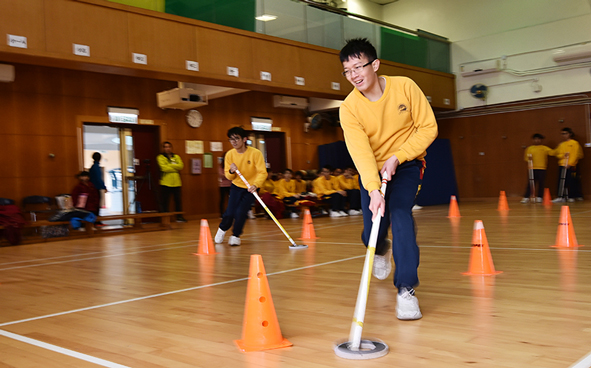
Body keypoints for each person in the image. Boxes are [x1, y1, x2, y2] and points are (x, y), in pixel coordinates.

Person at [338, 38, 438, 320]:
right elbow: (360, 152)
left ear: (375, 65)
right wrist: (373, 189)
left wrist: (399, 156)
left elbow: (428, 128)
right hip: (372, 168)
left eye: (358, 66)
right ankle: (381, 248)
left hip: (407, 164)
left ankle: (406, 289)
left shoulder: (405, 86)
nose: (354, 75)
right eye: (347, 71)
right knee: (373, 229)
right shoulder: (349, 108)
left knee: (400, 213)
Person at [215, 126, 267, 246]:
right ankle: (223, 228)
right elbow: (228, 176)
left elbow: (262, 172)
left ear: (244, 139)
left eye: (236, 139)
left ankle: (235, 235)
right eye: (231, 139)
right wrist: (232, 171)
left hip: (251, 188)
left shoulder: (255, 153)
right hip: (237, 186)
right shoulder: (229, 155)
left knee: (241, 212)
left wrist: (256, 184)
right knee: (230, 212)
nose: (234, 142)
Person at [551, 127, 584, 202]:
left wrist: (570, 164)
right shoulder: (562, 144)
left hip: (571, 165)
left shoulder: (574, 143)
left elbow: (575, 155)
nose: (563, 135)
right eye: (562, 134)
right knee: (561, 181)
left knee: (571, 181)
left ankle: (571, 196)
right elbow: (557, 154)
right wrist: (562, 156)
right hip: (562, 164)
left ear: (570, 134)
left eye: (565, 133)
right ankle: (561, 196)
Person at [157, 141, 187, 222]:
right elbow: (164, 168)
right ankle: (165, 218)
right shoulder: (160, 157)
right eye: (165, 147)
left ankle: (179, 217)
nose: (167, 149)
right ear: (163, 148)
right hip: (165, 182)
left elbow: (181, 166)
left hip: (176, 182)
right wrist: (174, 167)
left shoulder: (176, 156)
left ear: (171, 148)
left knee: (178, 200)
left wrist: (169, 166)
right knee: (165, 201)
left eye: (169, 147)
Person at [521, 134, 552, 204]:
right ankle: (526, 197)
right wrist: (529, 159)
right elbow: (526, 158)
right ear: (533, 140)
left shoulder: (544, 148)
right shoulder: (530, 148)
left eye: (538, 139)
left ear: (541, 140)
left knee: (541, 183)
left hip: (542, 168)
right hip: (532, 168)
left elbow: (553, 153)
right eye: (535, 139)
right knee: (531, 183)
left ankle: (540, 197)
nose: (537, 140)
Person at [88, 152, 107, 225]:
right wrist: (104, 187)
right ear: (100, 158)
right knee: (97, 205)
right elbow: (99, 179)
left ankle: (96, 221)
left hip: (93, 188)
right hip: (96, 189)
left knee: (95, 205)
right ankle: (97, 221)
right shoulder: (96, 167)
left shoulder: (93, 167)